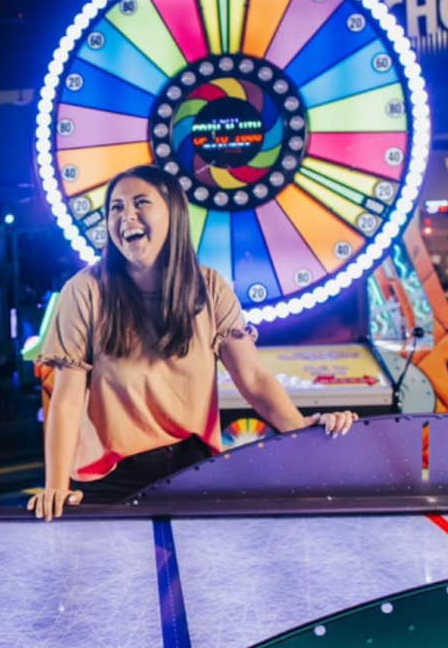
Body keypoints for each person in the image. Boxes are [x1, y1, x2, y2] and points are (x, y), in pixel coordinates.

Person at [28, 165, 358, 521]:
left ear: (174, 213)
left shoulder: (210, 287)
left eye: (141, 203)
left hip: (193, 469)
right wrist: (57, 486)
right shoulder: (85, 291)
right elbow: (67, 397)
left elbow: (253, 378)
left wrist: (299, 428)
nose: (127, 216)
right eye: (116, 208)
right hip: (110, 474)